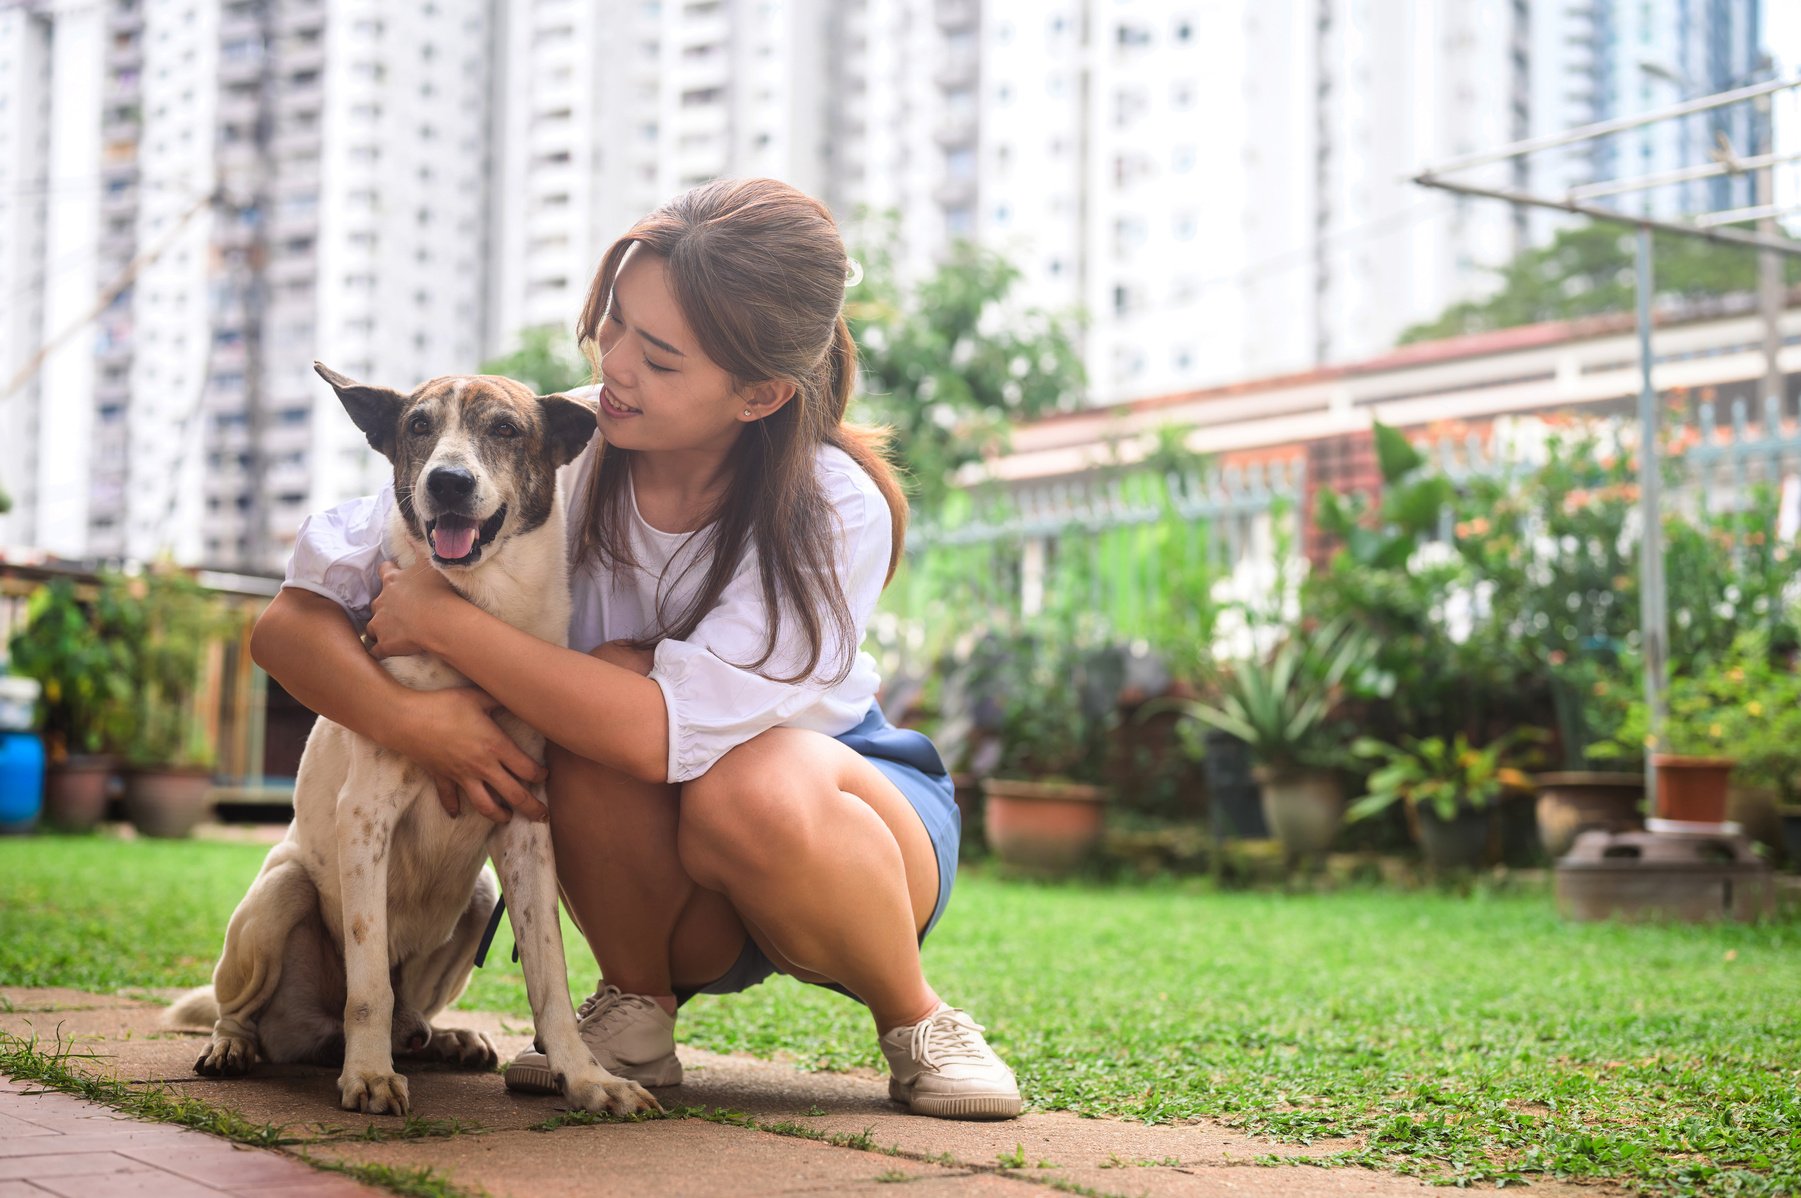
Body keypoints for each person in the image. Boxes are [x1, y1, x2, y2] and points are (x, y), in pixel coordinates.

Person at [250, 177, 1021, 1121]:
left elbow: (662, 731)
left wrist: (449, 624)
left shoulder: (827, 503)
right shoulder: (538, 453)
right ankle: (637, 1004)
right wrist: (418, 720)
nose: (614, 366)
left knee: (718, 761)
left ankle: (918, 1020)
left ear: (760, 393)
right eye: (613, 326)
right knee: (587, 701)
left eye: (658, 358)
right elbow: (287, 625)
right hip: (667, 880)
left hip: (837, 836)